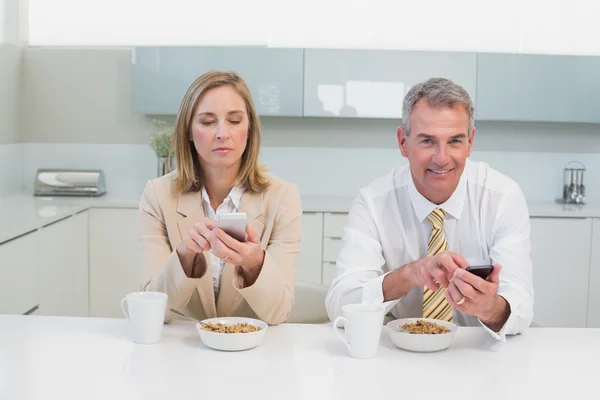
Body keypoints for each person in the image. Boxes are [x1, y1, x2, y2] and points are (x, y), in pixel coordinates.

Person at [325, 77, 533, 341]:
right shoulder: (373, 203)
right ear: (403, 143)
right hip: (400, 352)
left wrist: (488, 307)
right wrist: (408, 275)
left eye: (455, 141)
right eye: (427, 141)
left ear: (470, 141)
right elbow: (340, 305)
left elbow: (521, 305)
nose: (442, 158)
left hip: (478, 351)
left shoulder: (502, 198)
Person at [139, 71, 302, 325]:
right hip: (180, 349)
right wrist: (184, 256)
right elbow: (153, 309)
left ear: (249, 130)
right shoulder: (157, 196)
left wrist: (254, 264)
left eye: (235, 120)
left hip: (251, 350)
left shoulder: (282, 197)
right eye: (207, 122)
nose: (222, 133)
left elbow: (278, 313)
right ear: (189, 132)